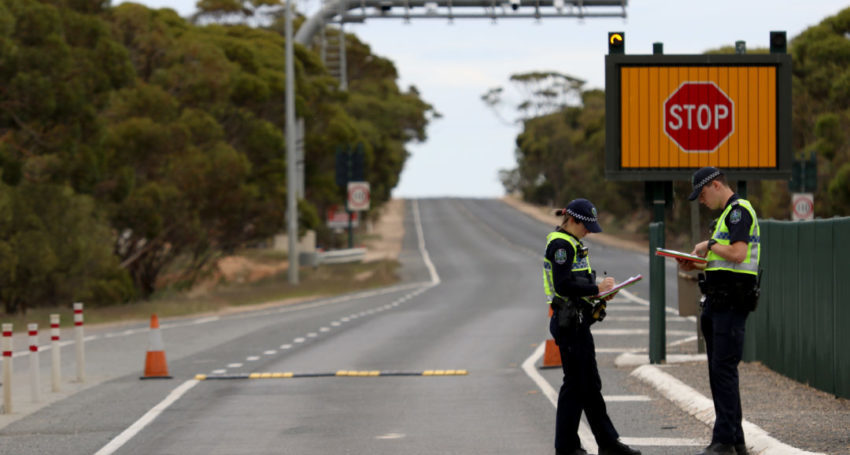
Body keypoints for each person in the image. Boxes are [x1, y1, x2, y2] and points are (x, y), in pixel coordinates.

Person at [543, 198, 641, 455]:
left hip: (576, 322)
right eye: (585, 225)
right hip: (569, 324)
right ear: (572, 220)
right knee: (578, 386)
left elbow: (577, 284)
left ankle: (601, 444)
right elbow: (563, 285)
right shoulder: (562, 246)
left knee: (585, 385)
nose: (588, 231)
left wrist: (599, 294)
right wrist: (596, 288)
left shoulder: (572, 242)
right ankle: (578, 446)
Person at [677, 167, 761, 455]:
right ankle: (734, 439)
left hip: (731, 303)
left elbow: (738, 253)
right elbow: (723, 262)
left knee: (723, 371)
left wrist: (710, 244)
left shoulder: (739, 211)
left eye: (702, 194)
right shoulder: (725, 217)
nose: (701, 201)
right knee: (720, 372)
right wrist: (695, 263)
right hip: (717, 301)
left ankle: (724, 440)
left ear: (715, 185)